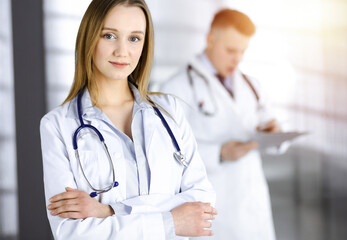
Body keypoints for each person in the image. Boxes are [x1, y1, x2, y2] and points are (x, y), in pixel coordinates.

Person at [40, 0, 217, 239]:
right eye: (110, 36)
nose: (122, 51)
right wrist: (170, 221)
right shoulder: (57, 126)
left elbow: (202, 204)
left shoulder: (170, 111)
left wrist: (109, 211)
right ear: (89, 37)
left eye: (134, 38)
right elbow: (73, 233)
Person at [160, 9, 280, 240]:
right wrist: (219, 153)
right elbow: (167, 154)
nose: (237, 59)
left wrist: (274, 133)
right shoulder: (177, 88)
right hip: (215, 210)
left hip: (254, 209)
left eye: (243, 52)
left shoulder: (250, 85)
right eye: (231, 50)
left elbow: (270, 126)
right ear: (210, 39)